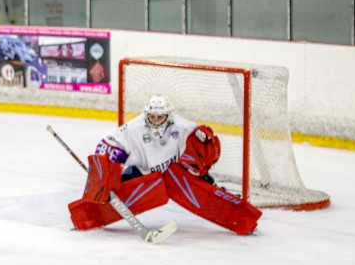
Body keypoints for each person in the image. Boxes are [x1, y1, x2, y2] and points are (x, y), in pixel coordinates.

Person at [68, 95, 262, 235]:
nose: (155, 120)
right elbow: (108, 146)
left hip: (176, 173)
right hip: (142, 171)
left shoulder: (184, 126)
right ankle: (84, 216)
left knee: (206, 188)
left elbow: (205, 145)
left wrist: (205, 144)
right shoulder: (134, 128)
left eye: (160, 117)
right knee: (115, 194)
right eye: (152, 116)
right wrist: (107, 168)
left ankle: (242, 217)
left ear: (169, 116)